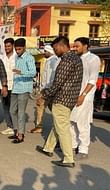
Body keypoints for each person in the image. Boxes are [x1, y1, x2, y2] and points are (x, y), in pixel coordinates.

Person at [36, 36, 83, 168]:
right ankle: (48, 148)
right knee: (58, 124)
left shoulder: (67, 60)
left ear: (62, 46)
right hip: (69, 99)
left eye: (56, 48)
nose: (55, 51)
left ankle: (68, 159)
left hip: (62, 99)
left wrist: (45, 95)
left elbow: (57, 83)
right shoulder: (76, 58)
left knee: (62, 128)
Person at [70, 37, 100, 160]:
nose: (74, 48)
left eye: (77, 46)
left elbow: (93, 79)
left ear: (86, 46)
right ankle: (72, 146)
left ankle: (83, 150)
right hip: (73, 95)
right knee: (71, 122)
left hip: (85, 96)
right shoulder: (76, 59)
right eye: (74, 46)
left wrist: (83, 95)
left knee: (82, 124)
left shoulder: (93, 59)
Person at [9, 38, 36, 144]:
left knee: (20, 112)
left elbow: (33, 72)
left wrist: (21, 72)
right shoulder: (16, 57)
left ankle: (21, 135)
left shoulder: (29, 58)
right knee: (12, 111)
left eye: (19, 49)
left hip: (24, 88)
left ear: (24, 47)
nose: (17, 51)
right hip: (16, 87)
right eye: (16, 49)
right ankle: (16, 131)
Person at [28, 45, 59, 133]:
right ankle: (41, 125)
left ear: (50, 51)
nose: (44, 53)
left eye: (45, 51)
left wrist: (45, 89)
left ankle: (40, 126)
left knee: (40, 105)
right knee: (46, 106)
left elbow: (51, 76)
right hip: (47, 88)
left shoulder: (53, 61)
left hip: (48, 88)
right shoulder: (49, 60)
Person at [0, 38, 16, 135]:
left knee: (13, 108)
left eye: (9, 46)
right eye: (5, 46)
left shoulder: (16, 57)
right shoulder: (2, 57)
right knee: (5, 107)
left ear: (12, 46)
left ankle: (16, 127)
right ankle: (10, 126)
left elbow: (18, 71)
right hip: (3, 86)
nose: (7, 48)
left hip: (14, 86)